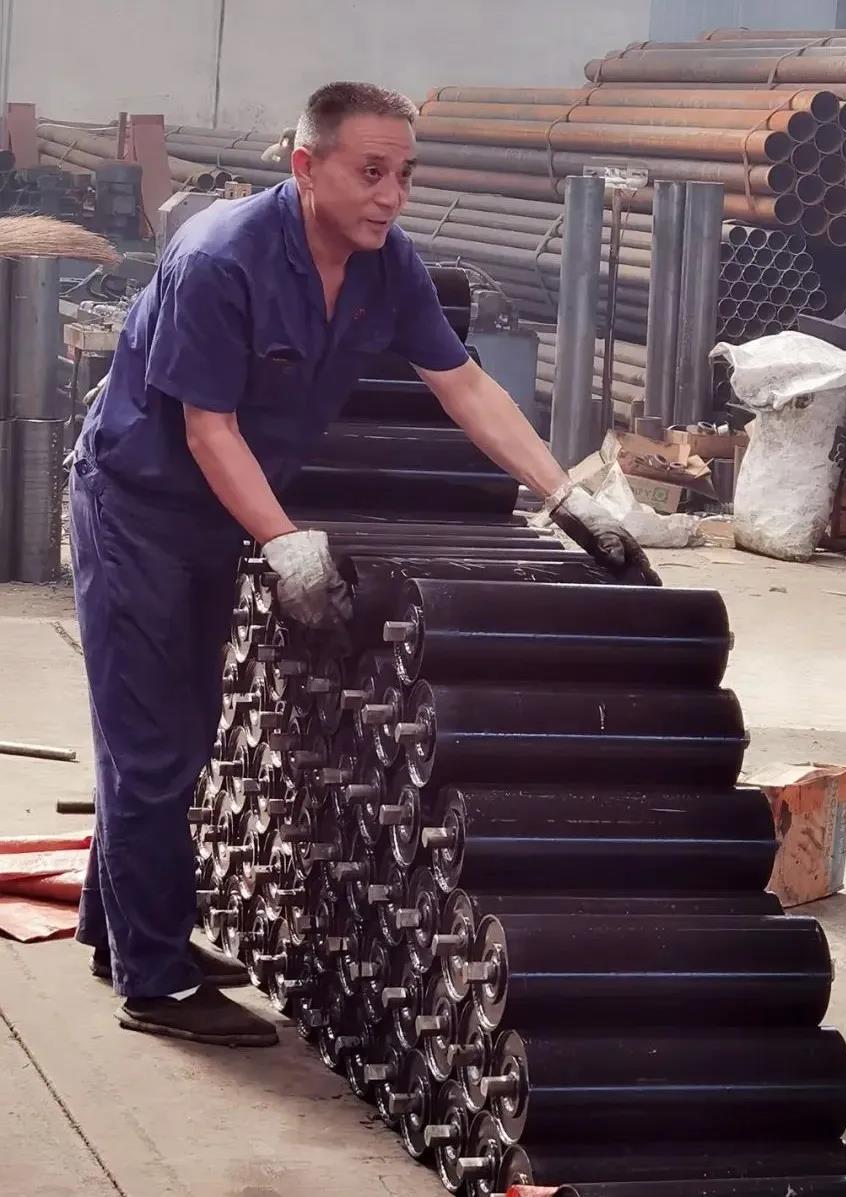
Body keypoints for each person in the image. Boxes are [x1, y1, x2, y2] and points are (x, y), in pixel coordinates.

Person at [70, 80, 658, 1047]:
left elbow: (464, 384)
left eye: (405, 174)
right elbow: (209, 430)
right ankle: (155, 983)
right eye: (371, 171)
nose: (392, 195)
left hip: (215, 517)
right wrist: (285, 540)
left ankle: (123, 930)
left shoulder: (388, 265)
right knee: (152, 741)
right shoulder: (221, 259)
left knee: (180, 726)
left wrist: (565, 496)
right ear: (306, 166)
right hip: (140, 510)